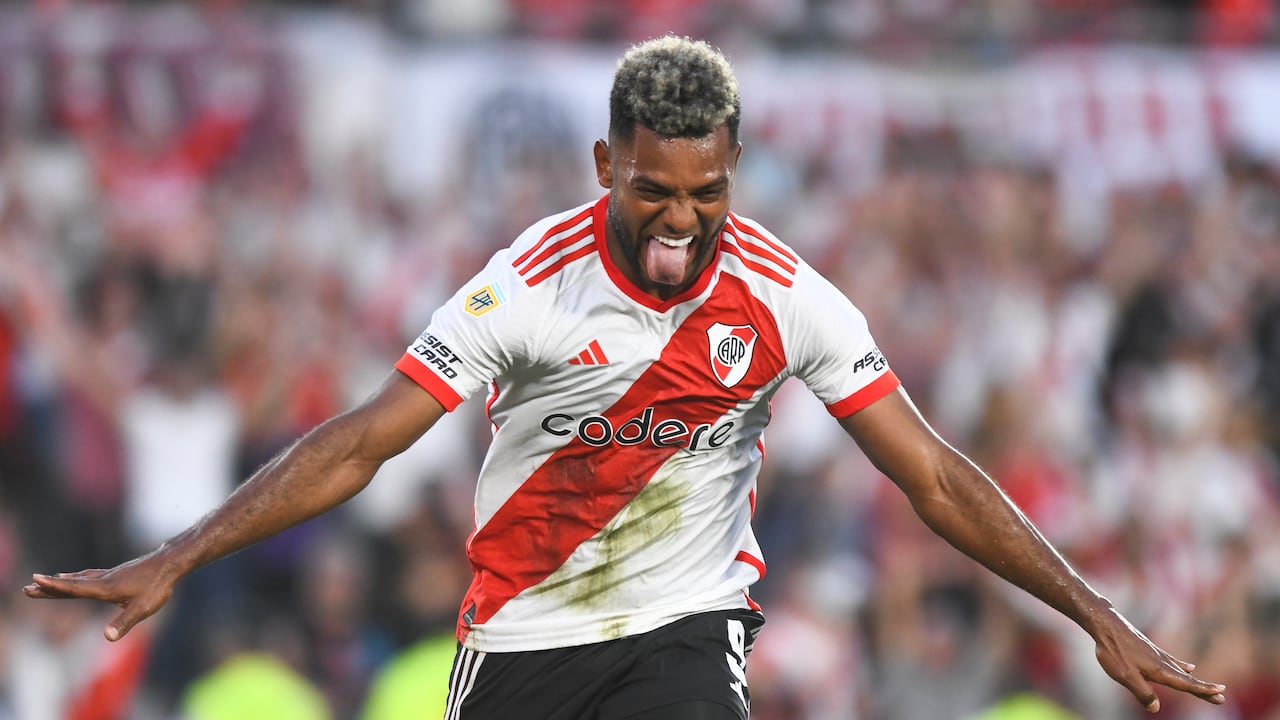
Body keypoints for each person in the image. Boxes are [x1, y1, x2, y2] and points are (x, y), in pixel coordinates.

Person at [25, 35, 1228, 719]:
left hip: (682, 628)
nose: (679, 221)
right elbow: (361, 440)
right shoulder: (527, 284)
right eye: (651, 189)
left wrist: (1091, 611)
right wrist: (179, 556)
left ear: (735, 170)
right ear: (606, 161)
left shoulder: (783, 294)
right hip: (522, 632)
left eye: (706, 194)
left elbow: (931, 475)